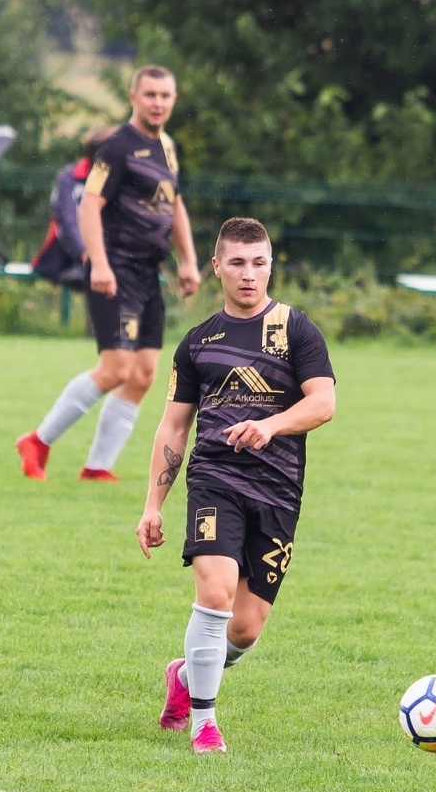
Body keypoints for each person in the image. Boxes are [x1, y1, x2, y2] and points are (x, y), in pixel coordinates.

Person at [135, 218, 335, 753]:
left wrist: (270, 425)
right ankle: (205, 725)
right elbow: (174, 425)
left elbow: (323, 403)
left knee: (244, 629)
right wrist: (153, 504)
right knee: (216, 593)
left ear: (271, 265)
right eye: (239, 263)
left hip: (278, 491)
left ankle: (184, 676)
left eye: (260, 262)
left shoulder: (298, 330)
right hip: (214, 480)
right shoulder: (197, 342)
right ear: (217, 267)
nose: (250, 275)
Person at [16, 65, 202, 482]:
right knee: (116, 368)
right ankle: (38, 442)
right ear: (133, 97)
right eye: (150, 94)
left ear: (173, 100)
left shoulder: (168, 147)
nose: (158, 102)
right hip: (115, 270)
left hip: (148, 273)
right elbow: (88, 206)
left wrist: (188, 261)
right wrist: (98, 263)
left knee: (143, 376)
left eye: (165, 96)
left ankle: (97, 468)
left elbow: (175, 207)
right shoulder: (115, 148)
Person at [30, 125, 118, 287]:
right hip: (70, 255)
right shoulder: (69, 177)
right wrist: (86, 256)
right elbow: (67, 221)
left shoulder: (122, 178)